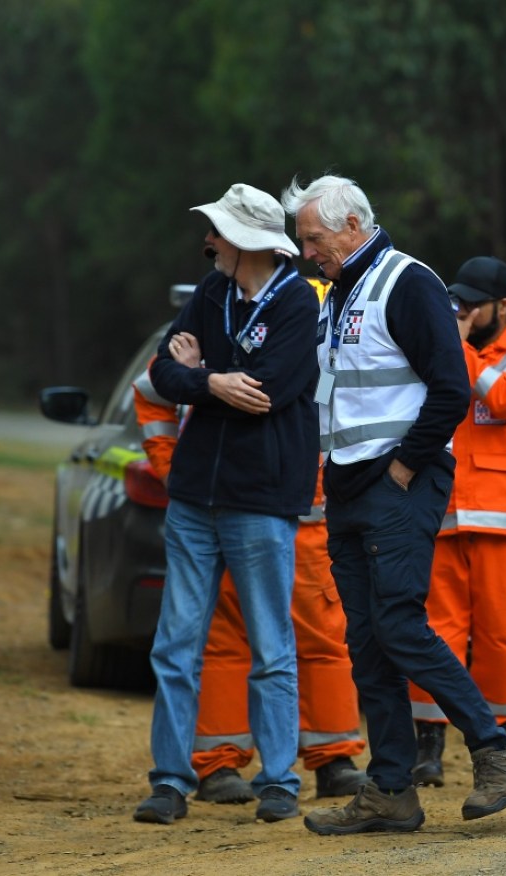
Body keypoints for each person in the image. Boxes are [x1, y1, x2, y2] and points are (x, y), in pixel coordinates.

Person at [280, 174, 506, 835]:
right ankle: (390, 789)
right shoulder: (339, 293)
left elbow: (450, 389)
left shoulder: (406, 281)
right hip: (349, 487)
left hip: (398, 484)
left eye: (312, 239)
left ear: (352, 226)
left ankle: (493, 748)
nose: (307, 252)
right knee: (365, 640)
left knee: (398, 624)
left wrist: (400, 470)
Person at [134, 183, 321, 825]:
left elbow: (268, 390)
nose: (207, 241)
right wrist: (211, 378)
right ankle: (168, 780)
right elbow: (164, 371)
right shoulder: (212, 291)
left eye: (215, 232)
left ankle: (278, 782)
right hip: (192, 499)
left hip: (261, 503)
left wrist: (204, 372)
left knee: (272, 646)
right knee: (174, 643)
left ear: (245, 244)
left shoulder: (298, 302)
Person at [133, 304, 368, 807]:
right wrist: (171, 469)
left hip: (308, 524)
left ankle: (333, 758)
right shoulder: (218, 338)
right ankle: (219, 762)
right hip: (234, 512)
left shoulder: (339, 351)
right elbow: (150, 390)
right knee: (224, 641)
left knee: (322, 640)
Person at [409, 256, 506, 786]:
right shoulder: (444, 348)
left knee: (498, 637)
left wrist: (457, 344)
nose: (461, 309)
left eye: (472, 303)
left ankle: (499, 746)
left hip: (501, 523)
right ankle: (429, 743)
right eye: (456, 301)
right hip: (440, 515)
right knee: (436, 636)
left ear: (503, 306)